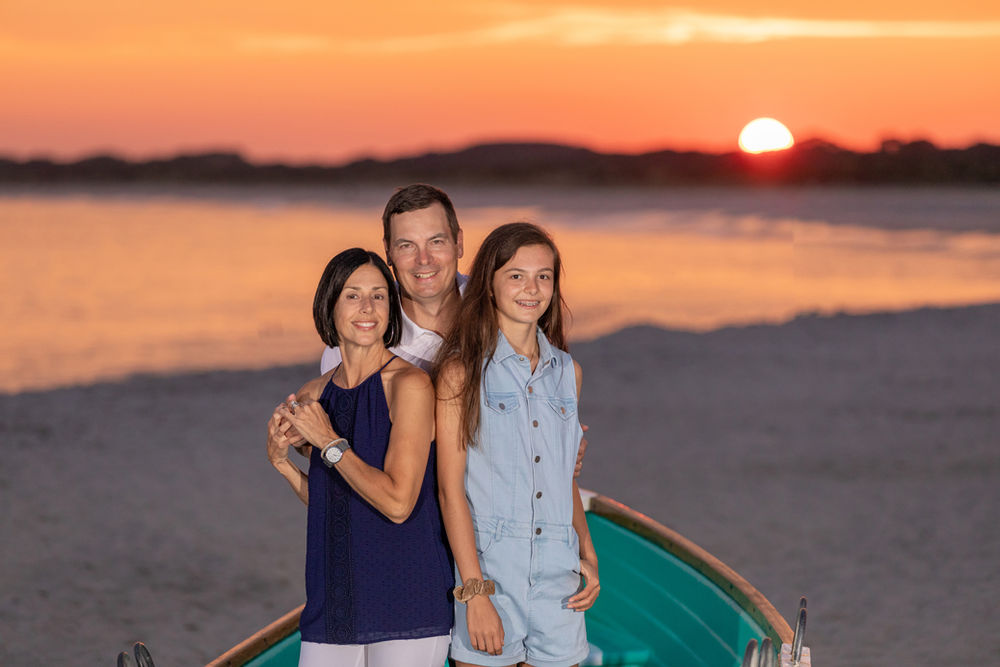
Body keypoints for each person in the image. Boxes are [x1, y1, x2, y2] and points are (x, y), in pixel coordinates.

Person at [317, 184, 588, 474]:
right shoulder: (351, 345)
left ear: (458, 243)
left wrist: (560, 443)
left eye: (436, 242)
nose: (424, 260)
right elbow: (346, 465)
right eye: (406, 245)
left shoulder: (509, 306)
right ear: (388, 252)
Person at [266, 248, 453, 667]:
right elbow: (334, 504)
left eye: (379, 295)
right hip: (333, 602)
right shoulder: (313, 394)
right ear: (329, 306)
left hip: (407, 599)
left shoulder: (410, 385)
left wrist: (330, 442)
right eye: (352, 295)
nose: (367, 307)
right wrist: (282, 463)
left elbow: (399, 503)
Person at [435, 222, 600, 667]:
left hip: (558, 581)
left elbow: (562, 476)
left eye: (544, 276)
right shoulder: (460, 373)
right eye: (516, 275)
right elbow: (451, 491)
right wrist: (475, 594)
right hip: (492, 575)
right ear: (489, 284)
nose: (532, 288)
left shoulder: (568, 373)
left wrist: (587, 552)